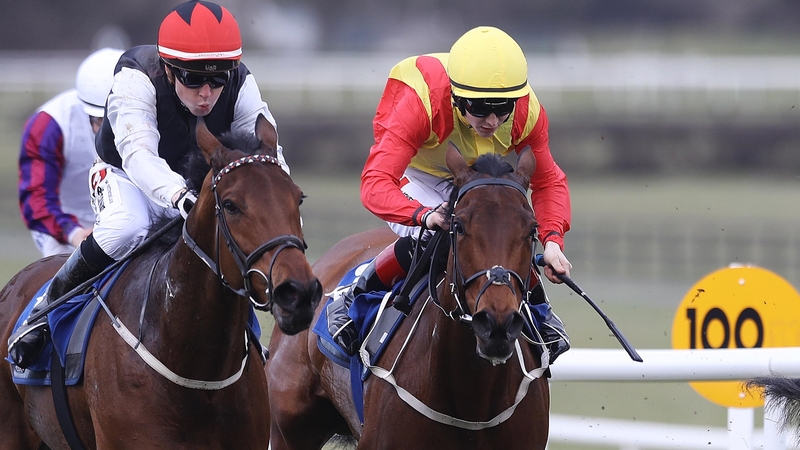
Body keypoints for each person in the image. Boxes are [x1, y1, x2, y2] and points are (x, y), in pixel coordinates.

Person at [8, 0, 287, 369]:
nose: (207, 92)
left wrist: (278, 194)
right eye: (193, 79)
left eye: (218, 78)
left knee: (229, 236)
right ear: (169, 69)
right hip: (125, 174)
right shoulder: (135, 75)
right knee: (127, 228)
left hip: (192, 181)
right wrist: (182, 200)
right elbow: (138, 155)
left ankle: (249, 333)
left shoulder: (241, 81)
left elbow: (268, 150)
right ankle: (44, 310)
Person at [327, 26, 573, 362]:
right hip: (415, 171)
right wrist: (423, 216)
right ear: (457, 97)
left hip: (473, 174)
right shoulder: (421, 104)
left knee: (501, 232)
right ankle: (355, 293)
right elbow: (376, 182)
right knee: (440, 235)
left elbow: (548, 182)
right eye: (481, 107)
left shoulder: (527, 113)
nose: (491, 120)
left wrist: (553, 243)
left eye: (502, 109)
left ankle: (540, 311)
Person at [18, 47, 123, 258]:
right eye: (101, 122)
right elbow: (36, 197)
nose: (112, 131)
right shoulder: (49, 124)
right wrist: (73, 233)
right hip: (66, 227)